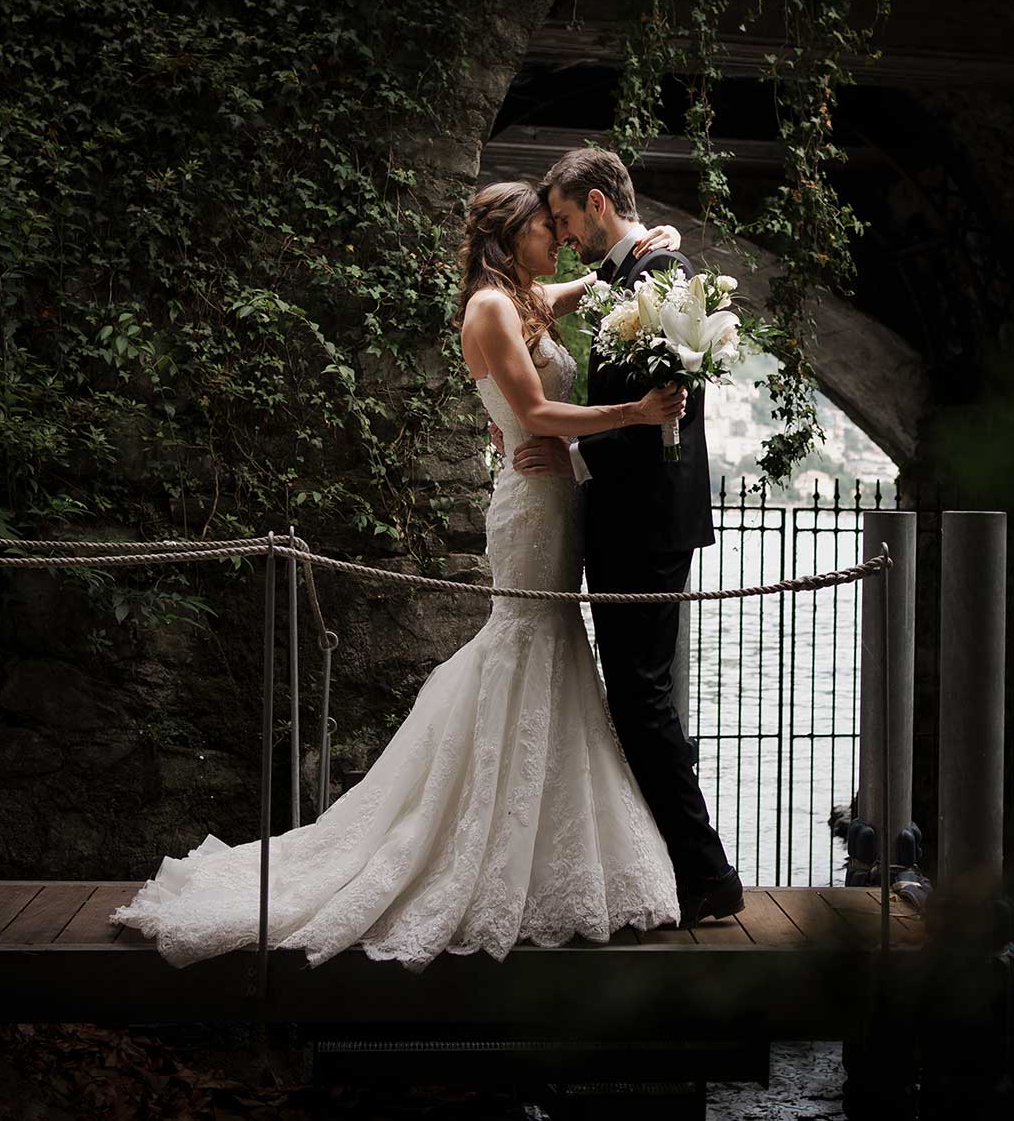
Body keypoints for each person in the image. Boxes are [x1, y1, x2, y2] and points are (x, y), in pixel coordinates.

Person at [112, 182, 689, 969]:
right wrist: (634, 414)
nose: (557, 238)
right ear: (509, 234)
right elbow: (536, 414)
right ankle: (470, 841)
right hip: (533, 505)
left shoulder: (523, 297)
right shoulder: (491, 307)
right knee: (525, 641)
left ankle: (540, 849)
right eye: (543, 228)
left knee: (548, 647)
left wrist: (650, 240)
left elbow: (589, 284)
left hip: (557, 499)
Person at [530, 146, 742, 926]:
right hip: (632, 521)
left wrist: (572, 452)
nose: (562, 236)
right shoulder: (635, 272)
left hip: (647, 523)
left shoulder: (660, 276)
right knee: (637, 695)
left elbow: (665, 416)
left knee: (642, 697)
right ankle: (679, 869)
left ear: (595, 203)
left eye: (564, 219)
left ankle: (709, 874)